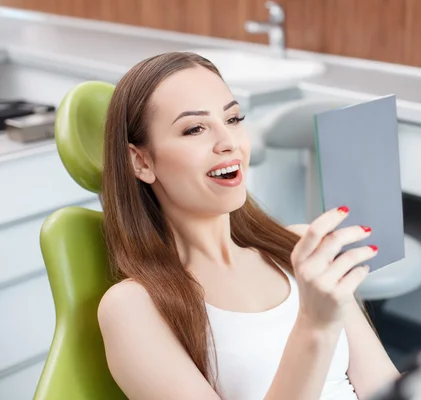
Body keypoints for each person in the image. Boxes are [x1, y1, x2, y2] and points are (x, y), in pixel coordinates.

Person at [97, 51, 400, 400]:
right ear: (141, 161)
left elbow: (384, 388)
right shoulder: (132, 307)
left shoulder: (298, 247)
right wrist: (314, 326)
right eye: (195, 128)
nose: (228, 143)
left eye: (233, 118)